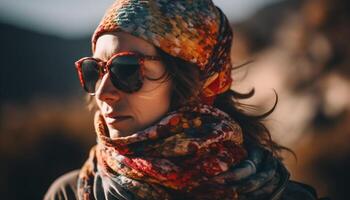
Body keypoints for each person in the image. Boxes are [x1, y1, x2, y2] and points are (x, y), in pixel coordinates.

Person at [44, 0, 322, 199]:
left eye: (126, 69)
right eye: (95, 70)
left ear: (194, 80)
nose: (103, 92)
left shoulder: (282, 194)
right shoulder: (71, 193)